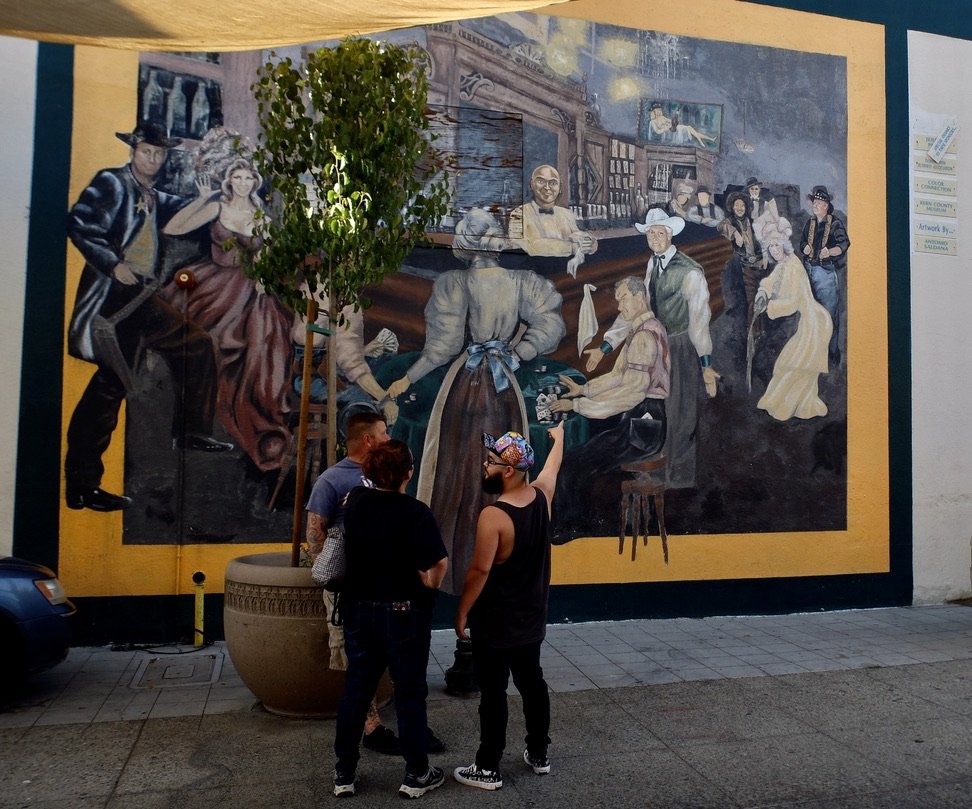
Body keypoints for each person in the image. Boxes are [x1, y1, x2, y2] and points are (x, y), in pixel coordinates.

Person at [385, 208, 565, 595]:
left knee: (459, 471)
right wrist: (519, 354)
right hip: (504, 390)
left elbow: (443, 347)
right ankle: (503, 565)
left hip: (466, 389)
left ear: (467, 244)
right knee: (507, 472)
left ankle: (458, 566)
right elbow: (550, 323)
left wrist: (406, 377)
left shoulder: (457, 283)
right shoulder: (521, 281)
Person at [64, 123, 230, 512]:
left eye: (159, 154)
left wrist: (205, 198)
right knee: (109, 387)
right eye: (147, 152)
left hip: (141, 296)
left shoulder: (153, 194)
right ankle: (82, 486)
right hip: (113, 297)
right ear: (134, 151)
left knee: (195, 343)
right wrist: (112, 264)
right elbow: (79, 224)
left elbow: (178, 212)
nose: (153, 160)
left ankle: (190, 431)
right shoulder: (112, 183)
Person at [162, 152, 295, 471]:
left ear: (255, 182)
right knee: (217, 339)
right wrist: (201, 199)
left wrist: (265, 273)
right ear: (229, 181)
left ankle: (264, 414)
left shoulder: (260, 211)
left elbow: (270, 250)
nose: (244, 183)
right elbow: (172, 227)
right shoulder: (216, 206)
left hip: (254, 285)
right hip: (216, 283)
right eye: (238, 177)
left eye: (249, 178)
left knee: (268, 340)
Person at [333, 439, 448, 799]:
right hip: (404, 614)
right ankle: (416, 775)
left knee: (356, 691)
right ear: (408, 474)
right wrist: (426, 582)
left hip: (359, 609)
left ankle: (344, 775)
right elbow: (437, 567)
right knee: (410, 693)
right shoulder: (416, 512)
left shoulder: (355, 502)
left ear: (369, 472)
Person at [453, 424, 565, 791]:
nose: (485, 466)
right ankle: (538, 753)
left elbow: (480, 570)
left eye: (491, 461)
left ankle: (487, 766)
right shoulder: (541, 498)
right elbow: (552, 468)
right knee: (532, 683)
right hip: (531, 618)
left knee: (494, 692)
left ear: (510, 471)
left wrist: (462, 611)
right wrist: (559, 437)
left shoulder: (494, 516)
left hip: (496, 621)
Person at [585, 208, 718, 489]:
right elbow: (636, 309)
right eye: (651, 233)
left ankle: (679, 480)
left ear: (670, 235)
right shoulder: (652, 264)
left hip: (680, 347)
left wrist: (706, 365)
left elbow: (699, 320)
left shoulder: (691, 271)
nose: (655, 238)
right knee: (654, 409)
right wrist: (605, 347)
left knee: (680, 412)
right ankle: (655, 469)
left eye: (660, 233)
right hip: (655, 345)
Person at [305, 412, 401, 754]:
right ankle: (370, 727)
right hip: (348, 588)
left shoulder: (381, 476)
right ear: (368, 440)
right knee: (352, 654)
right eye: (384, 432)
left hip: (383, 587)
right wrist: (332, 581)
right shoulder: (332, 480)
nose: (389, 438)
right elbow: (315, 535)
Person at [550, 276, 669, 476]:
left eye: (623, 299)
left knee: (569, 466)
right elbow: (617, 376)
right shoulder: (642, 328)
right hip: (638, 420)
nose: (619, 307)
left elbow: (632, 393)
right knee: (584, 446)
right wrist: (583, 390)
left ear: (639, 296)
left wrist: (578, 405)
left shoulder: (644, 336)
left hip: (643, 429)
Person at [753, 216, 832, 420]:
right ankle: (788, 405)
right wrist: (762, 292)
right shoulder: (783, 264)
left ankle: (792, 407)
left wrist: (769, 307)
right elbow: (769, 282)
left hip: (814, 322)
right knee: (790, 365)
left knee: (797, 366)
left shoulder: (794, 266)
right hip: (807, 321)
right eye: (771, 247)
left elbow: (795, 302)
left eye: (777, 246)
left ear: (784, 245)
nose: (774, 250)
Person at [507, 164, 598, 276]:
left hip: (565, 275)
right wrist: (572, 247)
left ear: (559, 188)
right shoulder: (518, 214)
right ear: (532, 184)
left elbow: (577, 235)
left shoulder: (566, 213)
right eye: (541, 181)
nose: (547, 187)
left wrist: (590, 242)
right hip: (535, 276)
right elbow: (527, 247)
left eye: (553, 183)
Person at [799, 185, 850, 368]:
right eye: (815, 202)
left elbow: (844, 244)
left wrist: (830, 251)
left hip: (825, 274)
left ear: (827, 206)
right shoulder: (809, 223)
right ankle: (814, 354)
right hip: (809, 271)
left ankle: (831, 356)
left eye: (819, 202)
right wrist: (804, 247)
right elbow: (803, 242)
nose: (816, 205)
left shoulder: (835, 223)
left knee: (828, 316)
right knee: (810, 314)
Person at [718, 191, 767, 337]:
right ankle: (752, 331)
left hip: (757, 264)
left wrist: (764, 255)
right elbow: (721, 226)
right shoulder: (729, 221)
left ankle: (760, 329)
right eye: (736, 205)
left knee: (763, 295)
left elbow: (763, 238)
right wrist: (735, 233)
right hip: (742, 266)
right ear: (732, 207)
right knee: (750, 298)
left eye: (742, 205)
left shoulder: (752, 222)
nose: (739, 208)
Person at [646, 102, 717, 147]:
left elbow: (670, 121)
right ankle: (707, 140)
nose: (659, 112)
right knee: (691, 130)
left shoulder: (663, 117)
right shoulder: (653, 121)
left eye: (659, 110)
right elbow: (658, 131)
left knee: (690, 128)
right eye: (657, 111)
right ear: (654, 112)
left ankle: (707, 140)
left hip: (674, 129)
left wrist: (674, 118)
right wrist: (666, 127)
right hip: (670, 133)